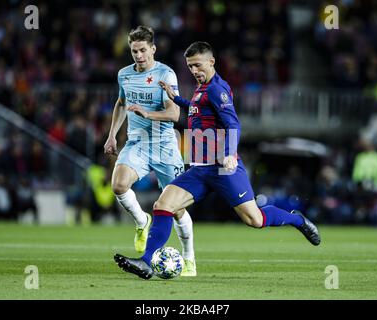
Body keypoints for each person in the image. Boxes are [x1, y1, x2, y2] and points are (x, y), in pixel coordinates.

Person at [114, 42, 321, 279]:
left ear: (211, 62)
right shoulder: (202, 88)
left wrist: (231, 154)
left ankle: (296, 220)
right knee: (163, 205)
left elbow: (233, 123)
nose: (194, 71)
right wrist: (176, 99)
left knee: (255, 219)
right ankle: (146, 262)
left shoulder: (217, 89)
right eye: (190, 66)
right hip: (200, 168)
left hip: (224, 168)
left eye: (198, 65)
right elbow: (196, 109)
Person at [104, 26, 196, 276]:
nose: (139, 55)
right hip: (138, 143)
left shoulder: (165, 74)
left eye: (143, 50)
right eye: (134, 50)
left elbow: (175, 113)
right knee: (119, 185)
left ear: (152, 49)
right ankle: (142, 221)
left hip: (165, 146)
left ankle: (189, 259)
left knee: (176, 209)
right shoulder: (124, 74)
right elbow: (121, 103)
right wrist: (112, 134)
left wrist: (148, 113)